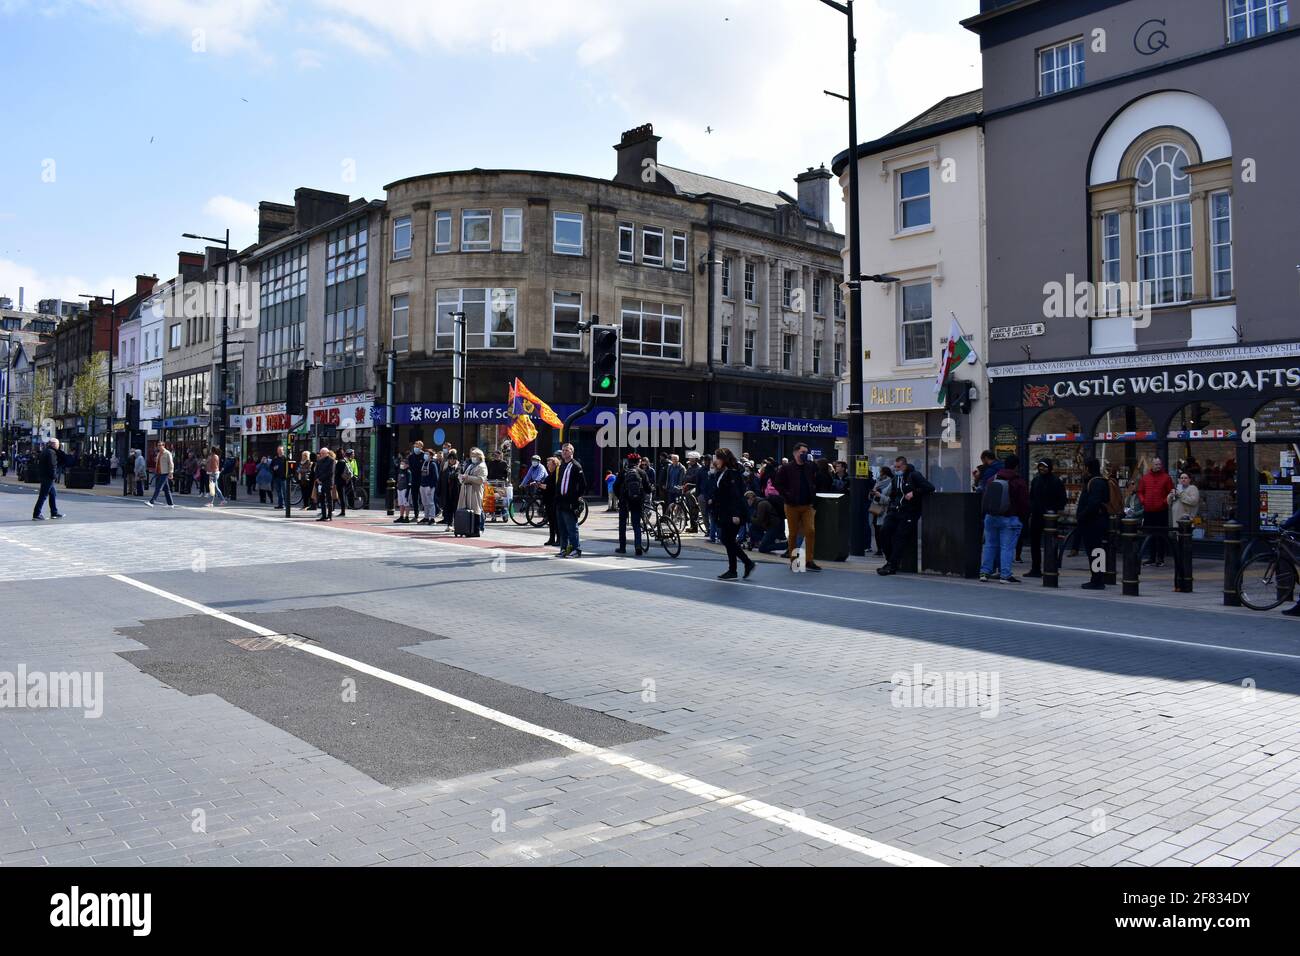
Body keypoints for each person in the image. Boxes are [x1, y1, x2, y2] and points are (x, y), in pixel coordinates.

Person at [877, 456, 934, 576]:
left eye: (898, 467)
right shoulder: (896, 479)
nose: (896, 469)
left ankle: (892, 565)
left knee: (900, 537)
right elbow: (893, 495)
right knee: (883, 532)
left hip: (908, 511)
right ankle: (890, 560)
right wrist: (892, 505)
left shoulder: (914, 475)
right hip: (895, 510)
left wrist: (914, 493)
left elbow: (929, 487)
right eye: (895, 467)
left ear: (904, 465)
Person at [979, 453, 1029, 584]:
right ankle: (1005, 575)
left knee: (989, 545)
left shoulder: (992, 479)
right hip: (1009, 518)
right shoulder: (1018, 481)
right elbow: (1023, 503)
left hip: (990, 517)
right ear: (1016, 466)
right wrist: (1023, 518)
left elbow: (985, 497)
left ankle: (984, 572)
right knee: (1007, 548)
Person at [775, 443, 822, 572]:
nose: (805, 454)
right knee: (794, 533)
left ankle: (809, 560)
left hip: (807, 505)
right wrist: (787, 496)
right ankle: (794, 560)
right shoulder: (786, 468)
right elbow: (778, 484)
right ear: (795, 453)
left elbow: (818, 479)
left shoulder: (810, 466)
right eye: (802, 452)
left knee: (810, 531)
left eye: (806, 451)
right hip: (792, 505)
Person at [712, 448, 756, 580]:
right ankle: (742, 565)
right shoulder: (723, 472)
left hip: (733, 513)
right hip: (726, 512)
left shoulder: (733, 474)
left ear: (724, 459)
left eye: (717, 458)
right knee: (727, 540)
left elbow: (735, 495)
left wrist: (735, 514)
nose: (715, 460)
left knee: (727, 539)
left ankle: (739, 567)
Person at [1025, 458, 1067, 579]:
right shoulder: (1036, 480)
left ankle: (1051, 567)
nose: (1042, 469)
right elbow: (1031, 496)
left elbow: (1062, 499)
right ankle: (1035, 568)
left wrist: (1054, 510)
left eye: (1045, 467)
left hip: (1050, 517)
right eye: (1040, 466)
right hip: (1037, 515)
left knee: (1051, 543)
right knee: (1035, 543)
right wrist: (1032, 509)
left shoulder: (1056, 481)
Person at [1077, 457, 1111, 590]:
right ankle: (1098, 578)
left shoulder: (1095, 483)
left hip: (1093, 522)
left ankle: (1097, 580)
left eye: (1085, 467)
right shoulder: (1101, 481)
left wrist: (1082, 515)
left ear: (1088, 468)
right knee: (1098, 551)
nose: (1083, 470)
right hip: (1097, 521)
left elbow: (1094, 503)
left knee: (1095, 551)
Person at [1136, 457, 1175, 567]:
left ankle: (1160, 558)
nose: (1158, 466)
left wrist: (1164, 502)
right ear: (1151, 465)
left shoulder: (1166, 478)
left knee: (1161, 535)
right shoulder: (1145, 478)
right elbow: (1140, 492)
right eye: (1156, 464)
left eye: (1159, 464)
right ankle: (1152, 558)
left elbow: (1171, 492)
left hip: (1161, 511)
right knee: (1150, 535)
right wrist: (1144, 502)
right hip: (1148, 511)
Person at [555, 443, 586, 558]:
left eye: (567, 450)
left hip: (570, 502)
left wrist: (575, 498)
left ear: (572, 452)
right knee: (562, 528)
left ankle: (576, 549)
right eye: (563, 450)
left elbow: (583, 485)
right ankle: (564, 549)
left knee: (572, 527)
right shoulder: (562, 465)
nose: (564, 452)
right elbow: (559, 483)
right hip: (560, 502)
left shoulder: (576, 466)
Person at [613, 453, 646, 556]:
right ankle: (638, 546)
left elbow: (615, 486)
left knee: (622, 525)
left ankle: (622, 547)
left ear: (628, 461)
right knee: (636, 525)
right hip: (637, 502)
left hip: (624, 502)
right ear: (639, 462)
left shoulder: (623, 472)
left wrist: (620, 497)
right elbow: (648, 488)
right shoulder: (641, 472)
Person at [31, 439, 64, 520]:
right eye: (57, 444)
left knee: (53, 494)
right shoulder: (51, 452)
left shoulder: (45, 451)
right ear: (53, 444)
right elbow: (52, 465)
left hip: (44, 476)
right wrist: (54, 476)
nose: (58, 445)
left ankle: (54, 512)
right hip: (48, 477)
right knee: (43, 495)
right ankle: (37, 514)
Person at [458, 447, 489, 533]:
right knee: (468, 508)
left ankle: (477, 528)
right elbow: (466, 475)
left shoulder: (482, 466)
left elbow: (481, 480)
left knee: (476, 509)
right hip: (467, 490)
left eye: (475, 456)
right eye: (472, 456)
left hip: (475, 490)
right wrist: (462, 477)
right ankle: (468, 528)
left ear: (480, 457)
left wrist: (468, 477)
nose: (473, 458)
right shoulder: (471, 465)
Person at [144, 441, 175, 508]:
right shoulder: (159, 454)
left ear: (163, 445)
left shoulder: (167, 453)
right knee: (166, 489)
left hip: (165, 473)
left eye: (160, 445)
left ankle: (152, 502)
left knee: (158, 487)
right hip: (159, 472)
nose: (159, 446)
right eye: (158, 445)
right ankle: (170, 504)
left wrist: (171, 472)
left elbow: (171, 463)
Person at [541, 455, 560, 547]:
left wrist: (542, 486)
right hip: (548, 501)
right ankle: (552, 538)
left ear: (555, 465)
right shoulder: (550, 475)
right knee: (551, 521)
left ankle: (559, 539)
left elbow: (553, 487)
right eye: (547, 465)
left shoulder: (556, 475)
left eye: (549, 465)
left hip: (554, 501)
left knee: (556, 521)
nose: (548, 466)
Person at [417, 448, 440, 525]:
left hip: (429, 486)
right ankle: (426, 517)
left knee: (430, 502)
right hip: (422, 485)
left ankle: (432, 518)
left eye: (427, 454)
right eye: (425, 454)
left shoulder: (433, 464)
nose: (425, 455)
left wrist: (432, 486)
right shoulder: (424, 463)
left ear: (431, 456)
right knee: (424, 502)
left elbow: (436, 477)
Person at [439, 452, 460, 529]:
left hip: (456, 492)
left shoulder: (459, 467)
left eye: (453, 459)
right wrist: (438, 491)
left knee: (456, 509)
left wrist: (452, 475)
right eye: (450, 459)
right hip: (447, 492)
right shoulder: (445, 468)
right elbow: (440, 479)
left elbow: (457, 476)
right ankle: (449, 524)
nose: (451, 460)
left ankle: (456, 525)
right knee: (448, 509)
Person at [314, 449, 336, 521]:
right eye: (321, 453)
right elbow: (316, 470)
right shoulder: (319, 461)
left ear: (327, 453)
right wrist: (317, 478)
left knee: (329, 499)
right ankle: (323, 515)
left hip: (328, 482)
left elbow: (330, 472)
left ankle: (329, 516)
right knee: (321, 499)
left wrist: (320, 479)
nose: (322, 454)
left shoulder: (331, 461)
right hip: (320, 483)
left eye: (323, 453)